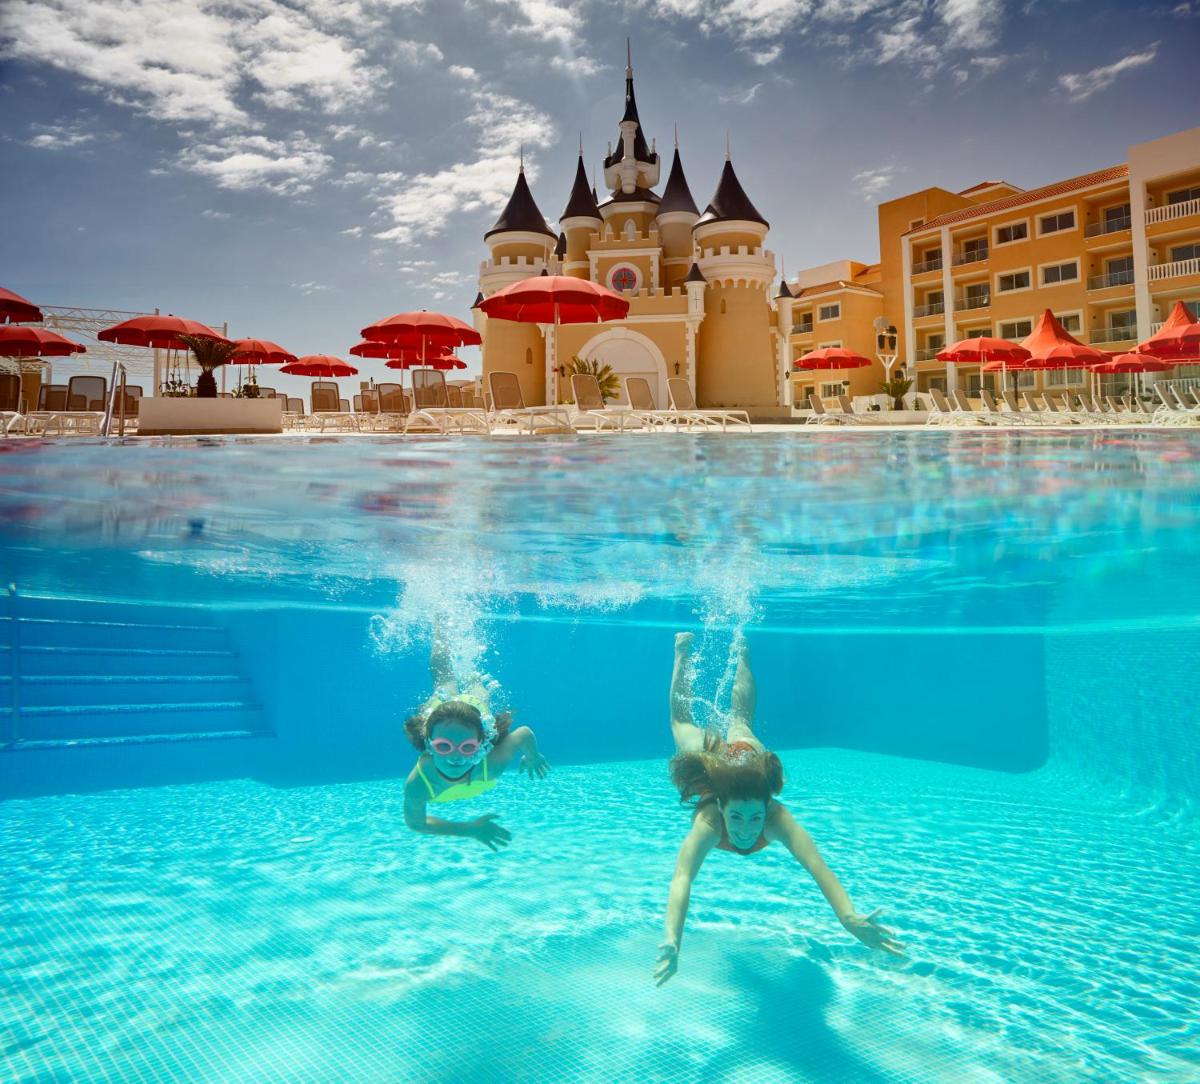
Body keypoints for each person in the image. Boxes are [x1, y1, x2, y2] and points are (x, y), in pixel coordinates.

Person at [655, 632, 904, 986]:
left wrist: (848, 917)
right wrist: (673, 940)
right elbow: (683, 877)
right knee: (681, 725)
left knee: (740, 723)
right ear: (721, 807)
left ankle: (742, 652)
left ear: (768, 807)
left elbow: (816, 866)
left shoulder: (777, 819)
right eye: (736, 817)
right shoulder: (710, 822)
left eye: (756, 817)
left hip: (747, 757)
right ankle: (681, 650)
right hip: (722, 770)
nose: (746, 829)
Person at [403, 632, 549, 850]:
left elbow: (524, 733)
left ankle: (469, 666)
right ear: (429, 745)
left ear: (482, 746)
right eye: (443, 746)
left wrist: (533, 757)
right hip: (444, 715)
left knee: (473, 689)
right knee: (446, 682)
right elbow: (416, 824)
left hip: (473, 711)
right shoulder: (419, 784)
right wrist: (470, 829)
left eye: (467, 747)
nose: (455, 757)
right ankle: (441, 627)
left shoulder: (490, 763)